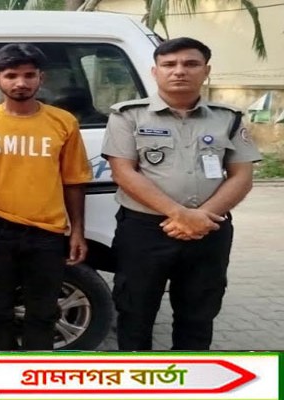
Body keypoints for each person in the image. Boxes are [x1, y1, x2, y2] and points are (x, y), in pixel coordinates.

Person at [101, 37, 261, 350]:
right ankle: (137, 377)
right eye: (169, 64)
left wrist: (201, 217)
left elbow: (241, 176)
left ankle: (190, 375)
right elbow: (123, 172)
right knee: (135, 312)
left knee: (199, 315)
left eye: (190, 64)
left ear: (206, 71)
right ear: (155, 71)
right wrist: (181, 215)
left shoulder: (228, 118)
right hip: (145, 231)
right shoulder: (129, 116)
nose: (179, 71)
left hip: (209, 229)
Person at [0, 43, 93, 350]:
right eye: (11, 75)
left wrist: (77, 232)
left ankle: (35, 372)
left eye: (29, 75)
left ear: (41, 78)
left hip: (47, 231)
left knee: (43, 313)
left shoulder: (63, 122)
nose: (21, 82)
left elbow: (74, 181)